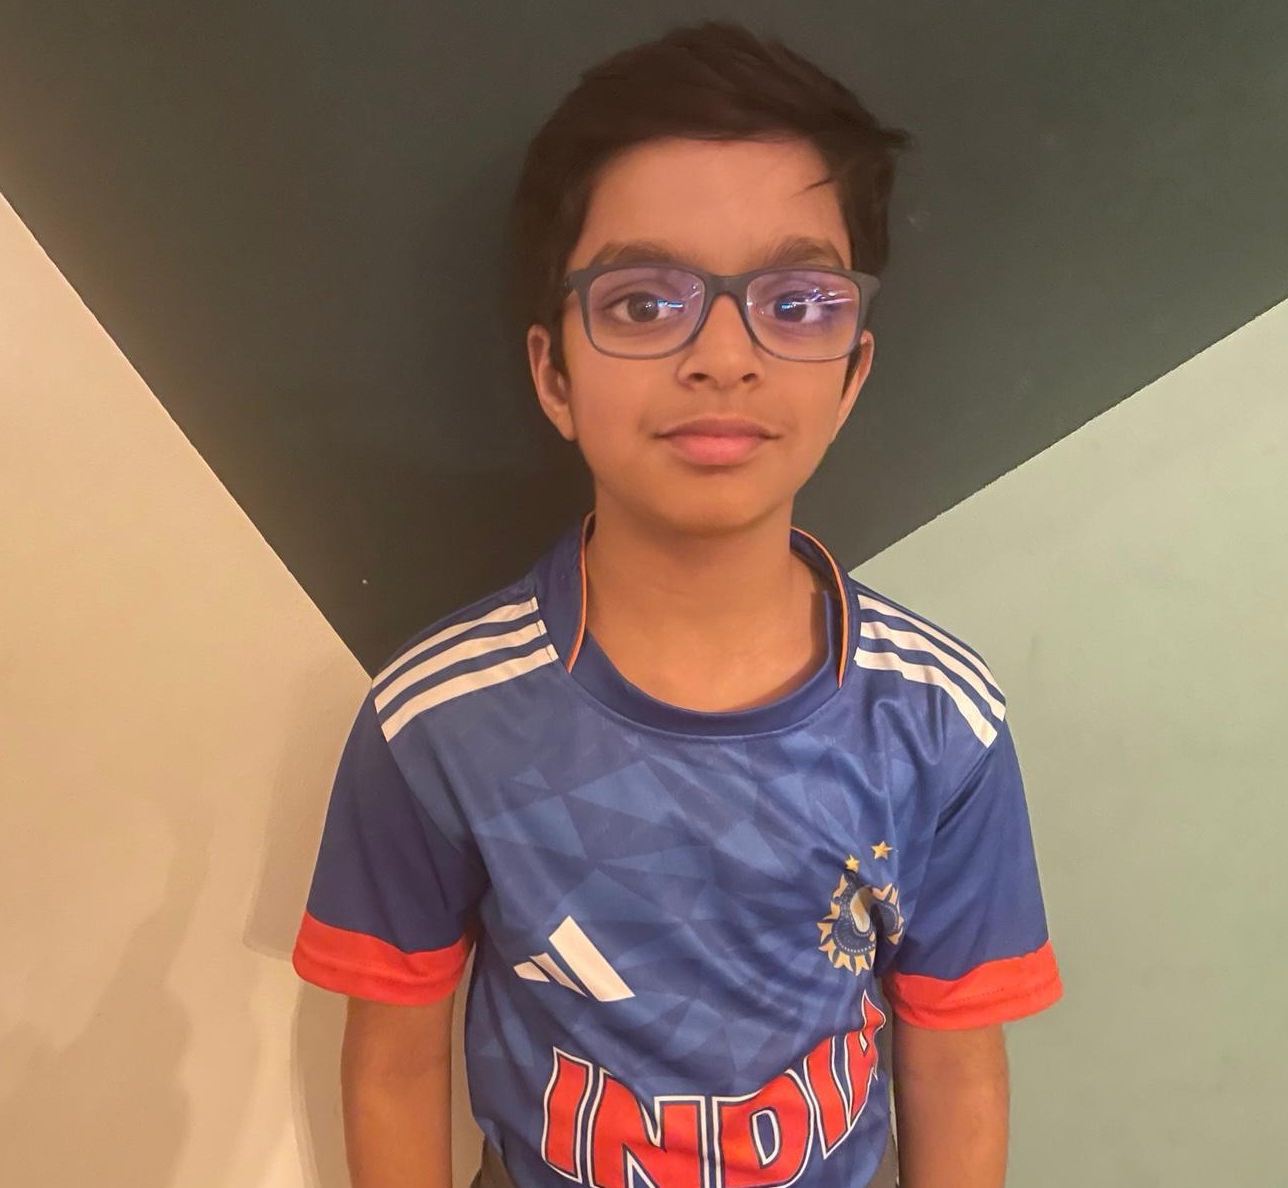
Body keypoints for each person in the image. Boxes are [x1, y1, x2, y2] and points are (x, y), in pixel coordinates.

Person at [294, 20, 1062, 1188]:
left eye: (795, 303)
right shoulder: (436, 721)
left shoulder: (939, 719)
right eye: (645, 303)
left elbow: (955, 1070)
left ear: (852, 371)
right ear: (553, 373)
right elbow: (393, 1070)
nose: (722, 357)